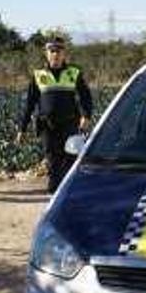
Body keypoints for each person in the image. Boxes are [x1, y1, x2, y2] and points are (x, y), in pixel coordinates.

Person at [17, 36, 93, 192]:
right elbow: (30, 103)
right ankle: (54, 191)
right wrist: (22, 129)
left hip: (70, 123)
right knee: (52, 158)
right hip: (47, 125)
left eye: (59, 51)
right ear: (46, 53)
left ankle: (67, 188)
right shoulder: (38, 75)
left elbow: (85, 96)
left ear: (64, 53)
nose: (55, 54)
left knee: (70, 156)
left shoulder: (74, 72)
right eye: (52, 51)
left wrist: (86, 116)